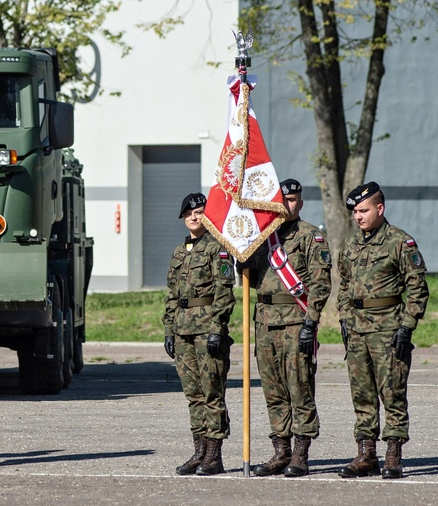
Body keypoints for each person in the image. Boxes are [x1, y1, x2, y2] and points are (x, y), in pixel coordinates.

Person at [337, 182, 429, 479]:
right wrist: (344, 317)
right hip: (357, 328)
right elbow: (344, 287)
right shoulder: (351, 245)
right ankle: (366, 454)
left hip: (388, 327)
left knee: (392, 393)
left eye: (363, 210)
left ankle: (393, 453)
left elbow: (418, 289)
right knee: (361, 393)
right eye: (354, 212)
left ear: (380, 208)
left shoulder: (400, 242)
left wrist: (407, 327)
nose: (358, 217)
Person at [241, 179, 332, 478]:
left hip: (295, 321)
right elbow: (253, 279)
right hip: (265, 322)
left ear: (300, 203)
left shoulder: (310, 237)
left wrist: (311, 322)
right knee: (273, 389)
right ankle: (280, 451)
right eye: (283, 199)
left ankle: (301, 453)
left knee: (299, 386)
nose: (287, 204)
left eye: (293, 199)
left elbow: (320, 285)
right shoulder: (263, 237)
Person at [162, 192, 235, 476]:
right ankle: (199, 451)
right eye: (189, 214)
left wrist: (218, 328)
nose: (194, 217)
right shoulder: (179, 253)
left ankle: (214, 455)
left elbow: (224, 292)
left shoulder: (219, 248)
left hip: (207, 330)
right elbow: (171, 294)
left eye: (200, 212)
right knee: (193, 395)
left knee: (211, 392)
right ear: (183, 218)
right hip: (183, 331)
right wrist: (169, 330)